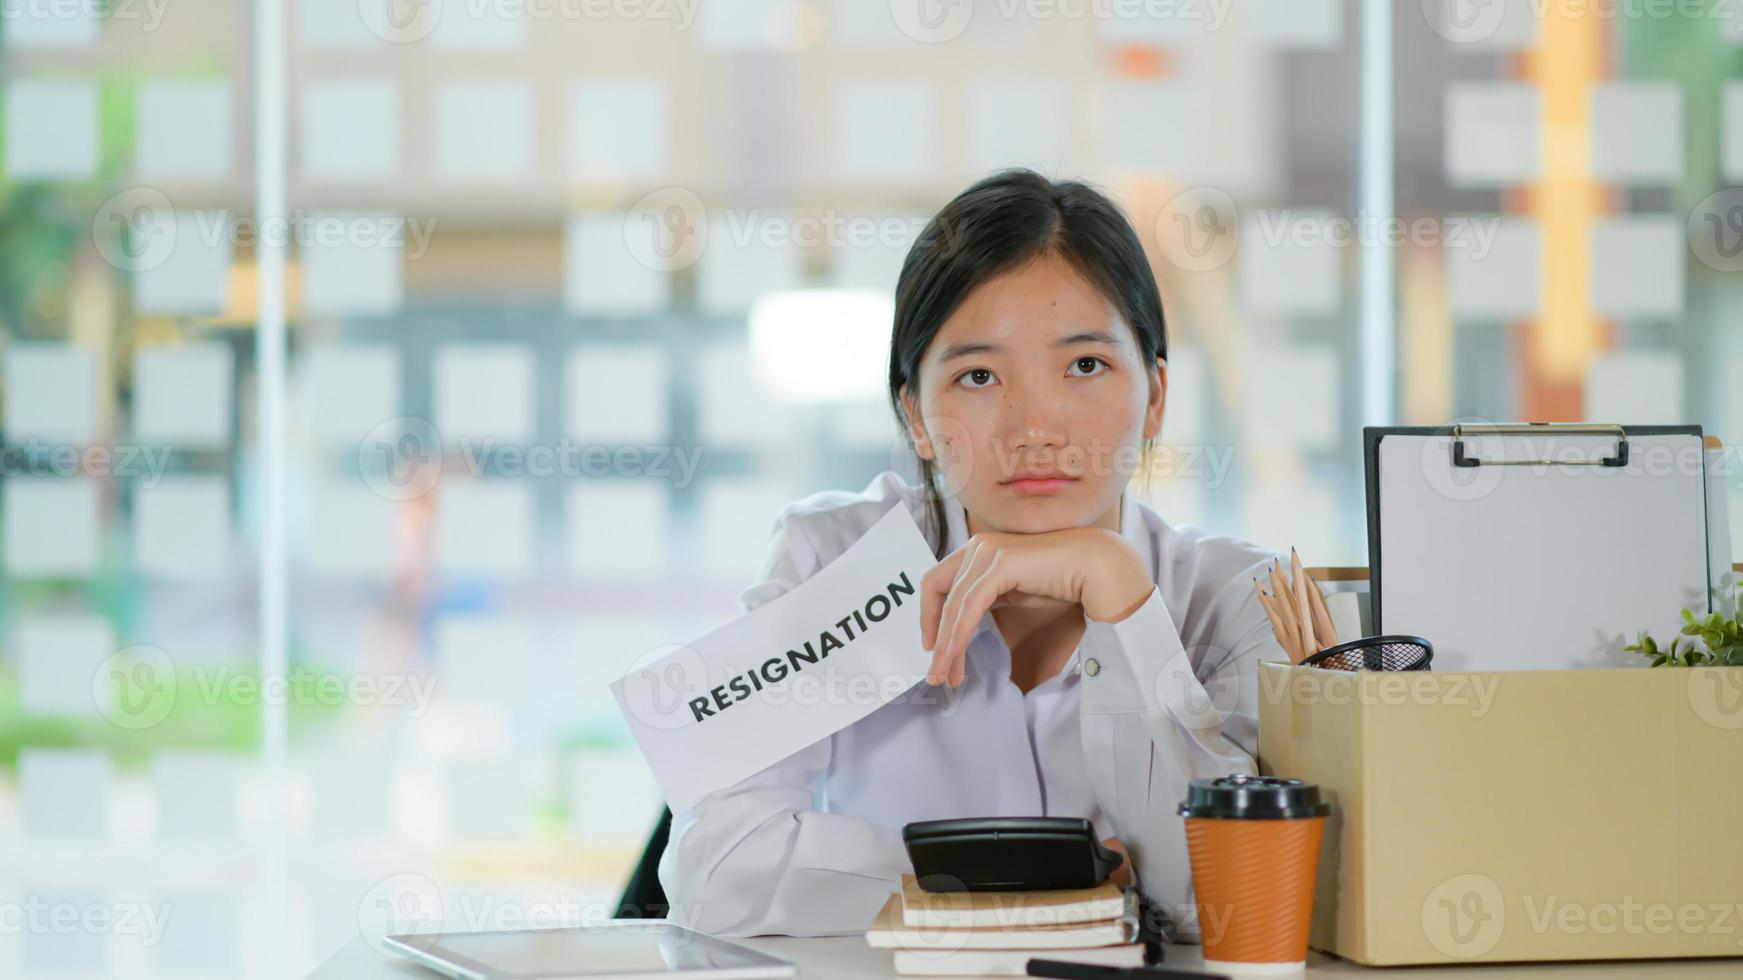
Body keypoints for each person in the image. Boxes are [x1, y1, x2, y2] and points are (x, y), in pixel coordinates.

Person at [658, 168, 1286, 939]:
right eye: (978, 376)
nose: (1034, 427)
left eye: (1085, 365)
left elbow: (1231, 902)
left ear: (1155, 397)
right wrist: (1053, 879)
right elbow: (718, 874)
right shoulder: (830, 556)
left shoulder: (1236, 595)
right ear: (915, 418)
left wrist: (1121, 598)